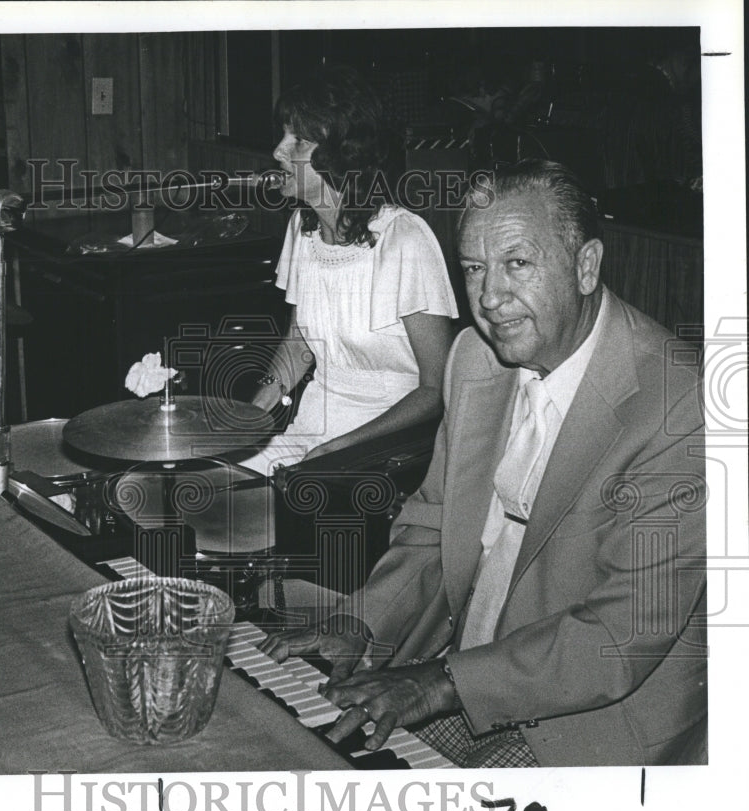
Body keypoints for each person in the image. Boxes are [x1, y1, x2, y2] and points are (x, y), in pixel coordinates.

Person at [262, 159, 706, 767]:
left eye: (518, 264)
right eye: (473, 268)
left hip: (587, 725)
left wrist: (440, 682)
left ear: (586, 267)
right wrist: (363, 624)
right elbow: (430, 529)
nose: (490, 298)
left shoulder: (680, 405)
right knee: (288, 751)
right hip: (458, 669)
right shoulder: (476, 359)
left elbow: (620, 635)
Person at [240, 66, 458, 474]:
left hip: (385, 451)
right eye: (283, 135)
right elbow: (298, 345)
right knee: (213, 482)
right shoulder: (301, 230)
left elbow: (436, 389)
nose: (278, 151)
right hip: (311, 433)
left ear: (340, 155)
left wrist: (342, 447)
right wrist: (246, 422)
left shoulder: (405, 240)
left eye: (298, 140)